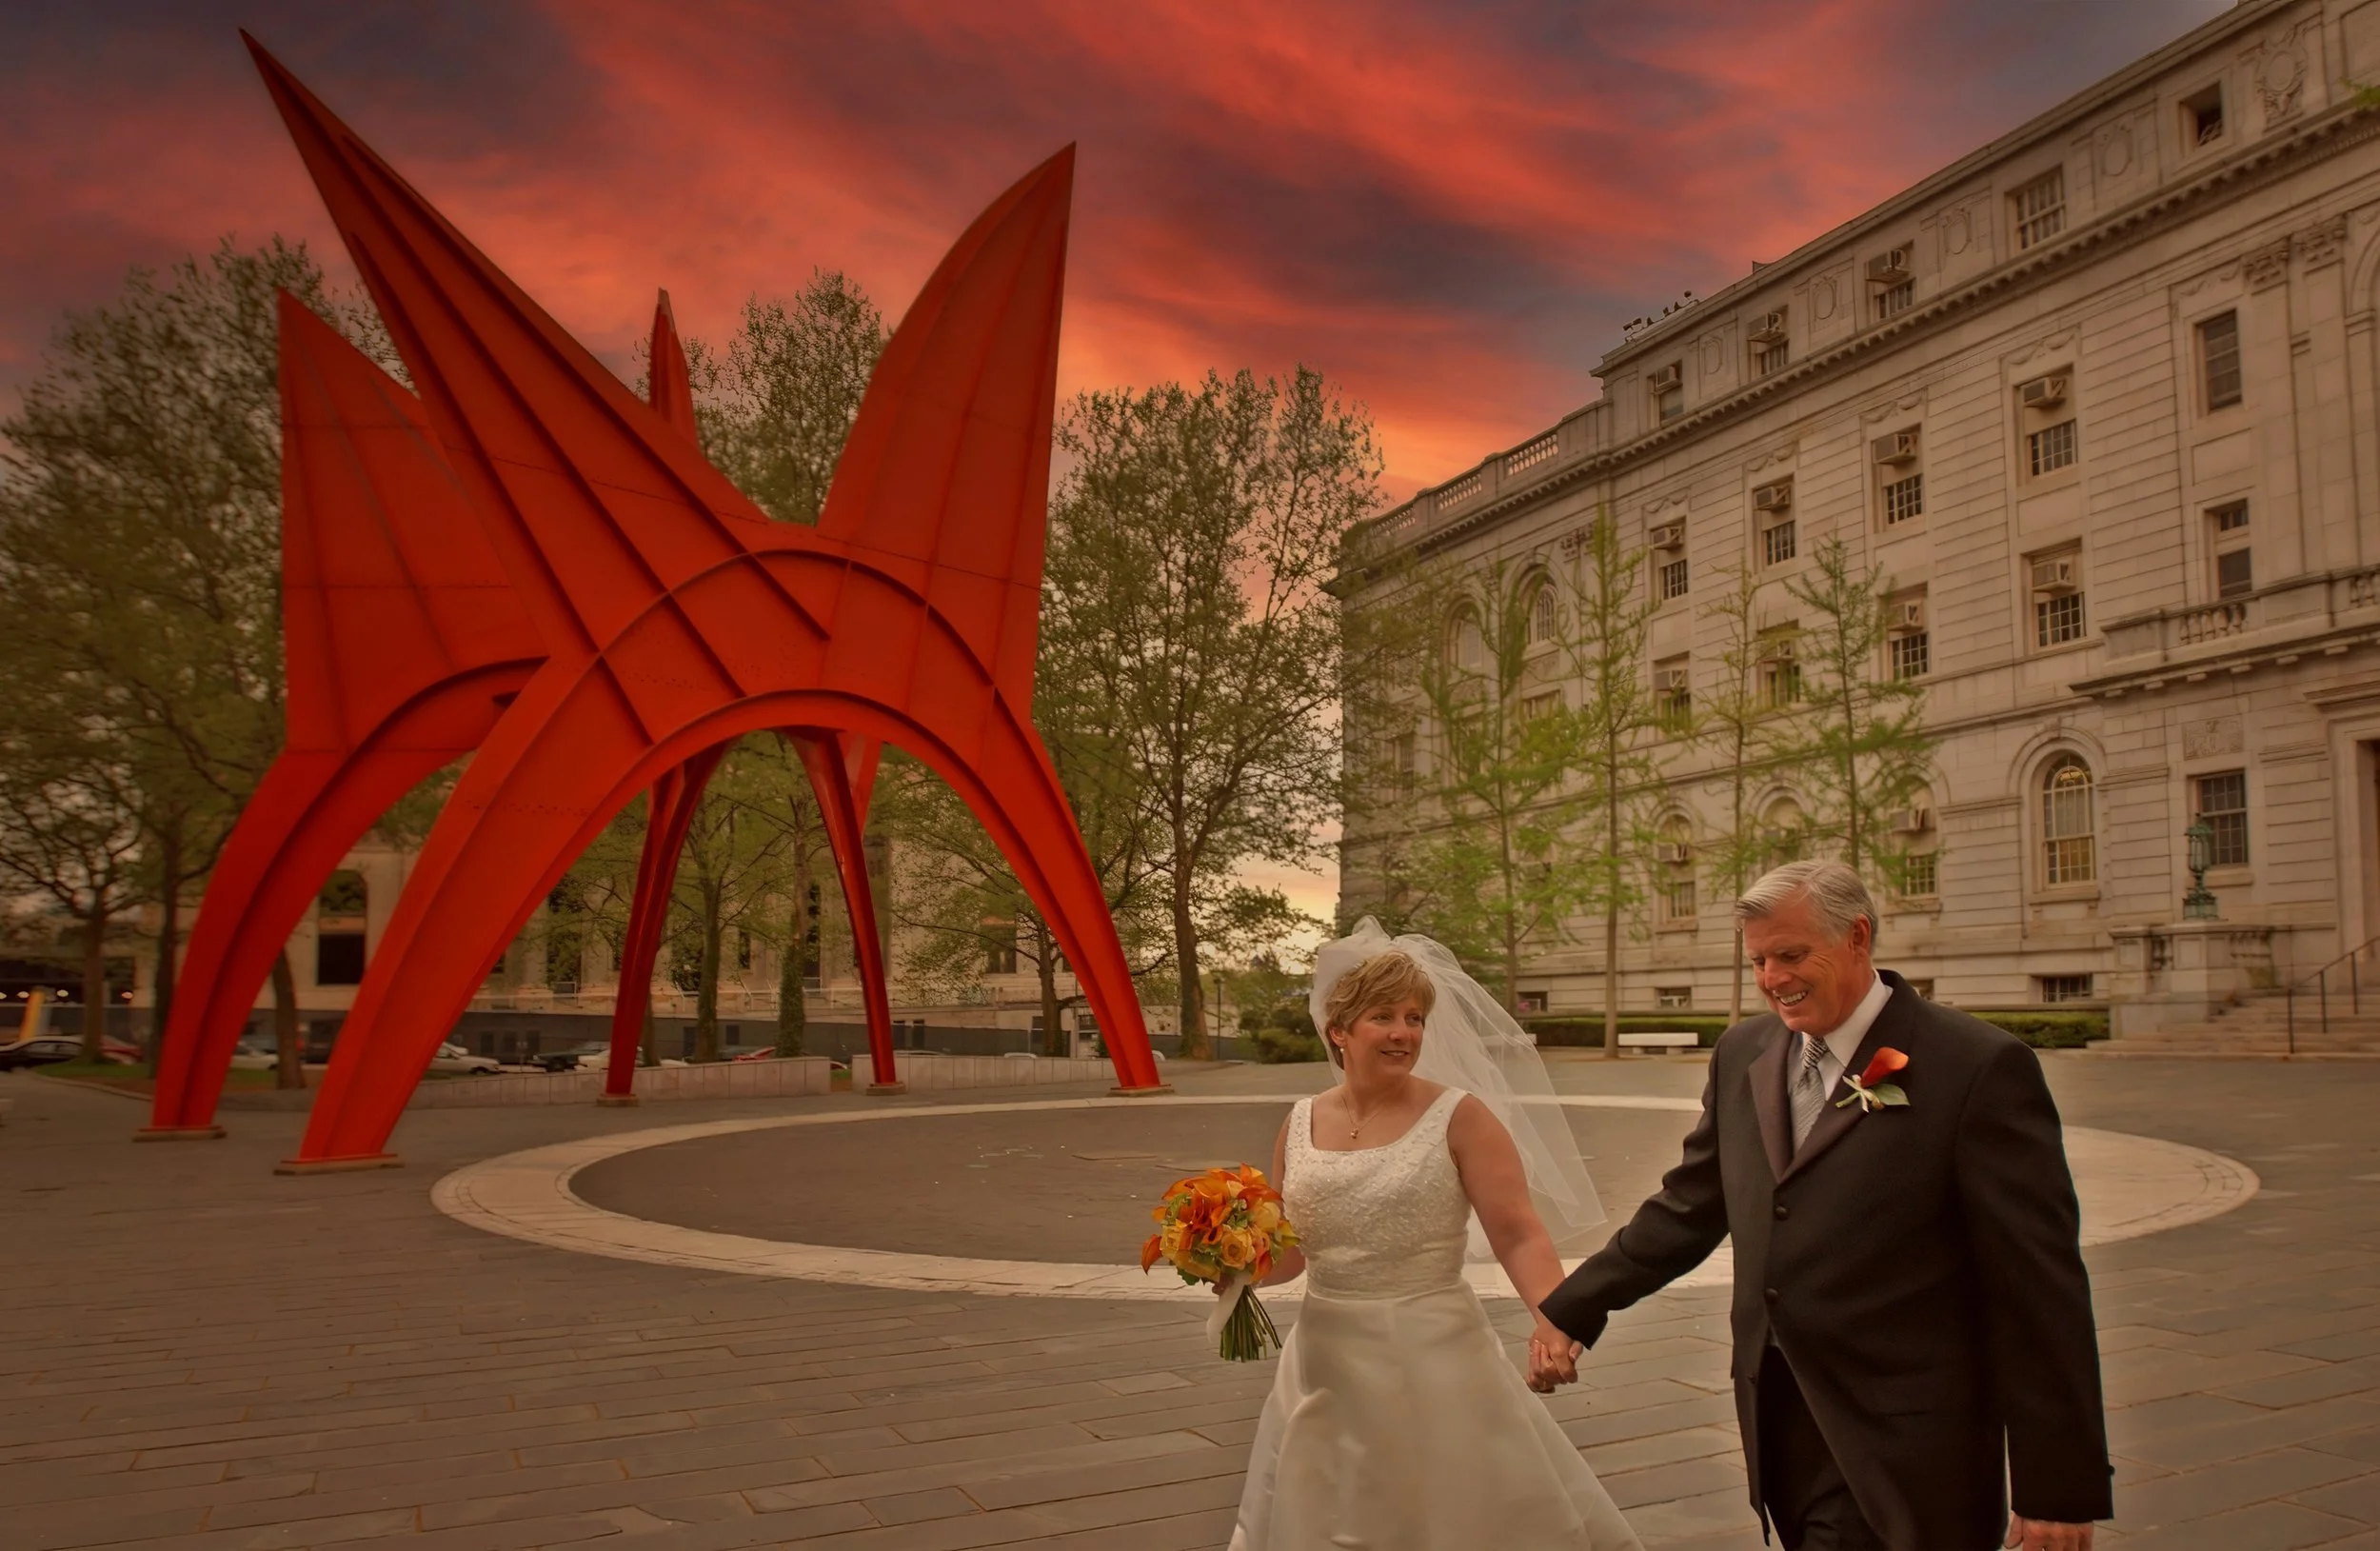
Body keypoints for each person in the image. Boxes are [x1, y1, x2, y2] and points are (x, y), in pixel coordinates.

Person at [1534, 861, 2112, 1551]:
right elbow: (1690, 1204)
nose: (1773, 978)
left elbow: (2037, 1286)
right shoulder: (1744, 1052)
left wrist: (2057, 1482)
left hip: (1912, 1443)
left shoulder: (1978, 1067)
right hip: (1780, 1423)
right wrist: (1575, 1304)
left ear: (1858, 936)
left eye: (1791, 954)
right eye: (1758, 961)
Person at [1228, 922, 1641, 1551]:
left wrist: (1556, 1317)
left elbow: (1519, 1232)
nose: (1404, 1032)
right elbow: (1290, 1253)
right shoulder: (1301, 1121)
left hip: (1433, 1354)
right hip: (1323, 1360)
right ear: (1339, 1030)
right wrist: (1226, 1262)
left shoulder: (1461, 1116)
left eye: (1414, 1017)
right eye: (1383, 1016)